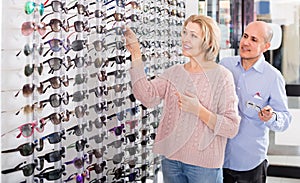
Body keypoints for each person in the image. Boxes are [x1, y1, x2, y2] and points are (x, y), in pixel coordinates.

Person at [124, 14, 241, 183]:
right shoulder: (174, 72)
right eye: (185, 32)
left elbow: (231, 127)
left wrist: (198, 110)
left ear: (208, 43)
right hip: (171, 160)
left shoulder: (222, 77)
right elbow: (147, 96)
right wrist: (135, 53)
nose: (185, 39)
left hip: (204, 167)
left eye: (193, 35)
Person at [219, 21, 292, 183]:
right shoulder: (225, 65)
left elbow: (285, 119)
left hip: (250, 163)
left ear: (266, 47)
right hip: (219, 158)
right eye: (245, 36)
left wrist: (271, 117)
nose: (246, 42)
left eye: (254, 39)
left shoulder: (273, 77)